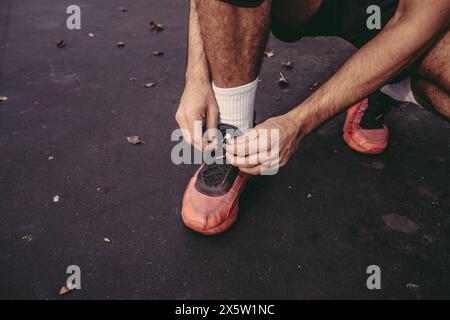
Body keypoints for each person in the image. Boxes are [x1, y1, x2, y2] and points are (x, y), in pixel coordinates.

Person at [176, 0, 450, 235]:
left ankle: (386, 83)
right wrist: (198, 74)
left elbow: (413, 20)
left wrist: (298, 122)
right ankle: (233, 130)